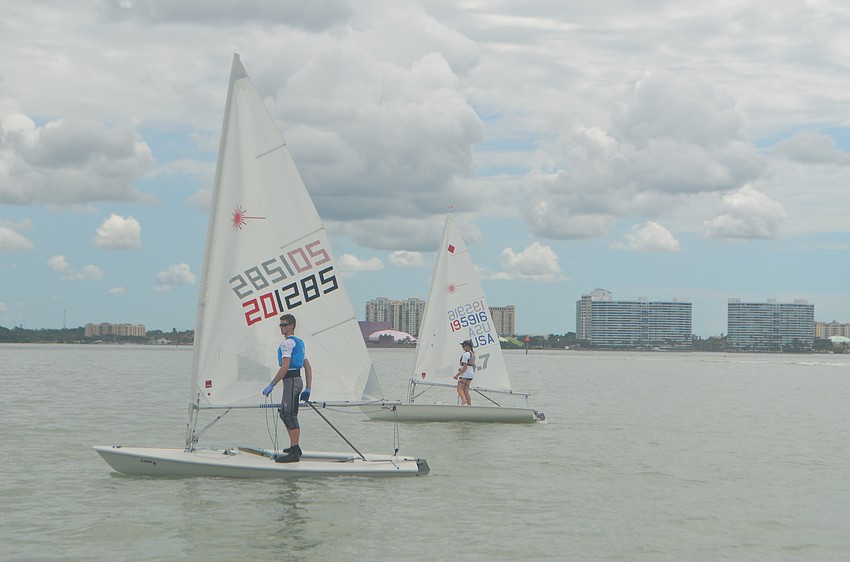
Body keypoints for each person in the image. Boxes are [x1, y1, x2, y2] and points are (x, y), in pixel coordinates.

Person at [262, 314, 313, 463]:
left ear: (292, 325)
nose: (281, 328)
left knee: (289, 415)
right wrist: (307, 387)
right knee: (285, 414)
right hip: (295, 381)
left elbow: (285, 367)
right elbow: (308, 367)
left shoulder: (288, 344)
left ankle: (294, 452)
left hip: (291, 381)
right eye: (280, 325)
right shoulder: (300, 343)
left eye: (284, 325)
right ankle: (294, 447)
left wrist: (272, 384)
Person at [453, 339, 475, 405]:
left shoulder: (465, 354)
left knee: (459, 389)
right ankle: (469, 405)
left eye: (464, 346)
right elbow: (472, 365)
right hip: (471, 374)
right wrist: (461, 369)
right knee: (466, 390)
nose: (463, 347)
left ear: (468, 346)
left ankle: (464, 401)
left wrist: (457, 375)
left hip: (465, 374)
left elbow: (465, 367)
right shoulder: (473, 354)